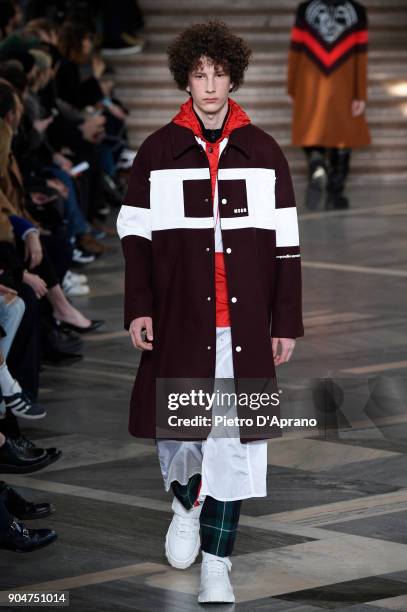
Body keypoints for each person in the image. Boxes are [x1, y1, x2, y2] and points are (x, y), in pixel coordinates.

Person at [117, 21, 303, 603]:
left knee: (237, 444)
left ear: (233, 75)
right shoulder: (157, 150)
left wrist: (286, 321)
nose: (210, 84)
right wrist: (139, 308)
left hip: (244, 326)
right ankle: (186, 507)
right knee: (181, 435)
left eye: (219, 73)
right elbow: (135, 238)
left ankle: (217, 565)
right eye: (199, 74)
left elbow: (286, 243)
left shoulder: (264, 150)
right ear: (185, 78)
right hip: (179, 320)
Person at [287, 0, 371, 209]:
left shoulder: (305, 9)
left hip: (310, 78)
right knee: (343, 137)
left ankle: (317, 164)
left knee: (311, 129)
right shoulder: (358, 11)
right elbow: (361, 55)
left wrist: (292, 86)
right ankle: (336, 194)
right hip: (344, 80)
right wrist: (360, 93)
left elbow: (295, 49)